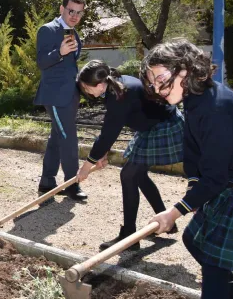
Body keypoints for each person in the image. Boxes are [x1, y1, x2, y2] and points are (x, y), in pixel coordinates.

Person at [141, 40, 233, 299]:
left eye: (162, 78)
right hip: (223, 184)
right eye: (152, 83)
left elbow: (214, 177)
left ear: (185, 69)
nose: (157, 88)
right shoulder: (193, 104)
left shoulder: (217, 106)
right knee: (193, 240)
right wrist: (192, 194)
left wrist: (175, 211)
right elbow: (196, 163)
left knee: (214, 267)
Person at [75, 60, 184, 251]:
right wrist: (101, 154)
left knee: (129, 175)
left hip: (164, 127)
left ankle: (129, 237)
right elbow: (112, 127)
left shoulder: (119, 95)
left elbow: (108, 132)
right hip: (152, 126)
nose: (86, 91)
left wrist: (87, 165)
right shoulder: (117, 84)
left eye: (86, 87)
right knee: (137, 174)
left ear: (99, 84)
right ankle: (166, 221)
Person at [34, 0, 88, 201]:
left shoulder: (74, 33)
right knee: (69, 137)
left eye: (78, 12)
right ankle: (72, 185)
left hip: (70, 95)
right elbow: (41, 62)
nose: (74, 16)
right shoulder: (48, 30)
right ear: (61, 9)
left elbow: (70, 67)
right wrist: (60, 51)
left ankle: (47, 181)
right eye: (71, 11)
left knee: (57, 137)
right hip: (55, 95)